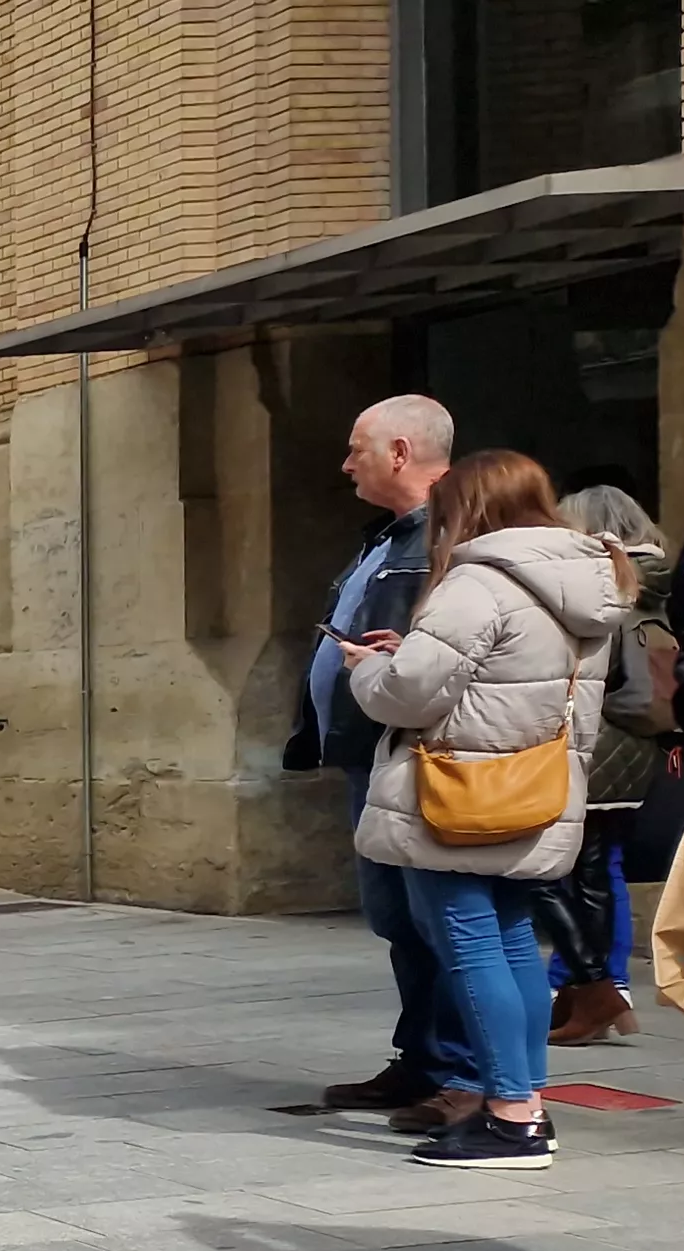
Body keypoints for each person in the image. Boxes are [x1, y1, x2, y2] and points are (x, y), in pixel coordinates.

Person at [342, 449, 632, 1171]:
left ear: (465, 508)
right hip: (536, 788)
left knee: (473, 949)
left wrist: (369, 667)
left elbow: (409, 696)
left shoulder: (478, 579)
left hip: (456, 794)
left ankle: (510, 1116)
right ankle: (527, 1101)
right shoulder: (586, 578)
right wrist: (413, 651)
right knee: (511, 946)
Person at [301, 396, 476, 1131]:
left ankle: (468, 1076)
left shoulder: (449, 537)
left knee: (444, 923)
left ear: (400, 453)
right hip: (369, 759)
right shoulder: (390, 536)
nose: (346, 465)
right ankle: (423, 1061)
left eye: (357, 449)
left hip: (417, 758)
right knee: (399, 920)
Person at [542, 484, 672, 1047]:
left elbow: (609, 672)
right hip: (635, 745)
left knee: (580, 872)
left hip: (607, 744)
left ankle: (594, 986)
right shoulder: (659, 581)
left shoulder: (613, 583)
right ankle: (594, 986)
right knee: (599, 867)